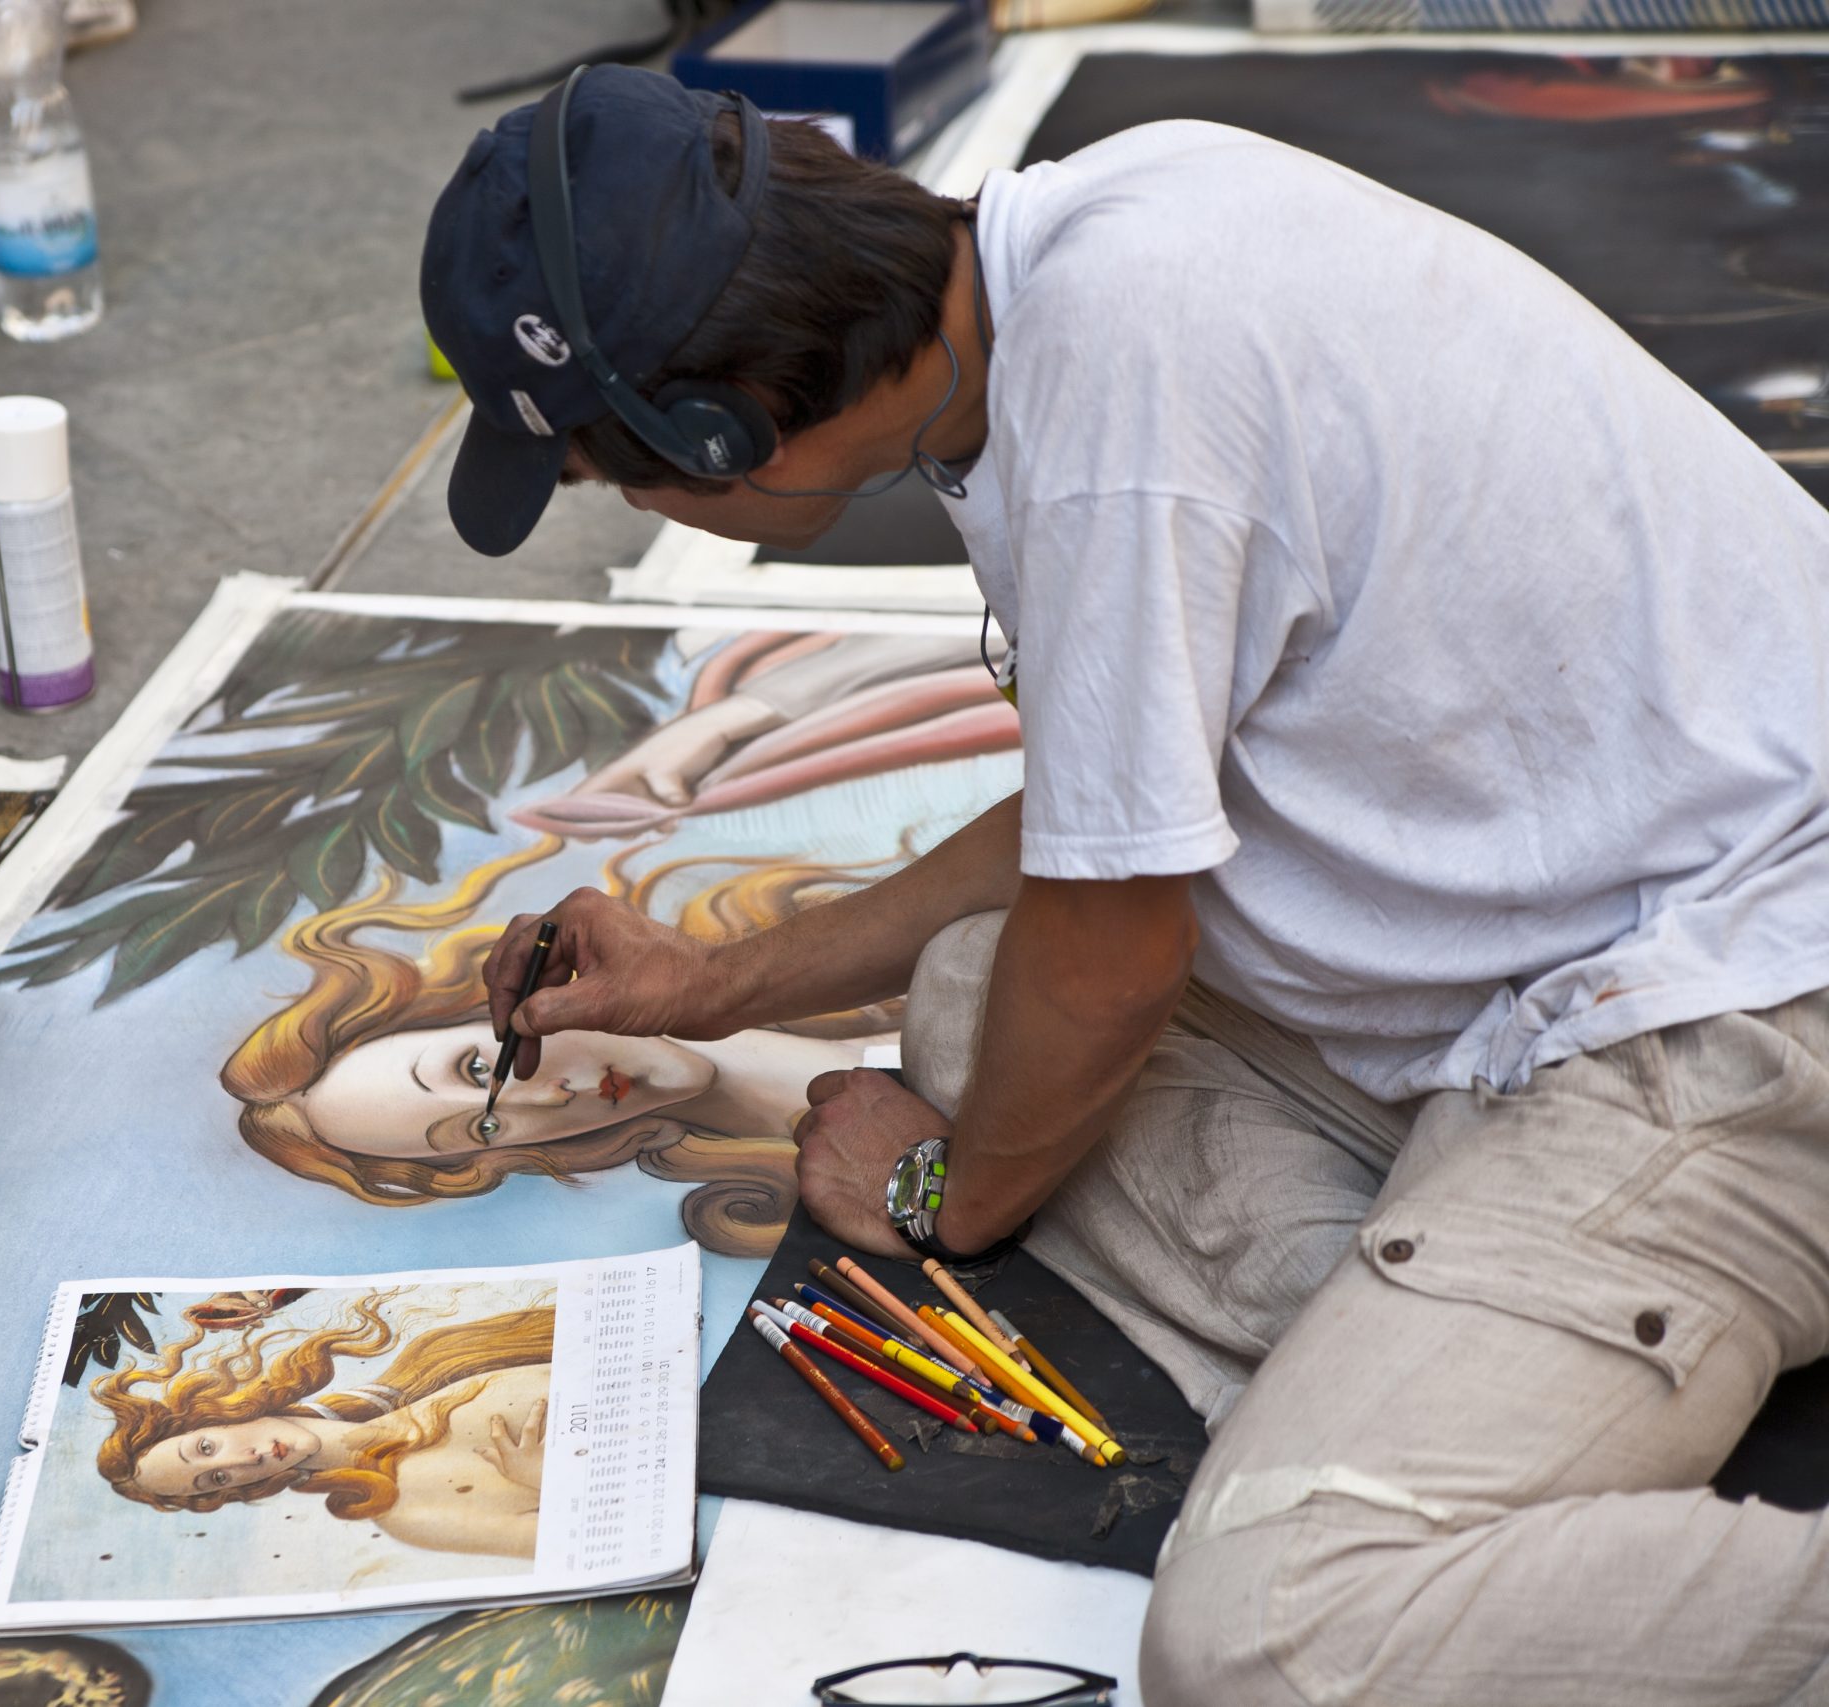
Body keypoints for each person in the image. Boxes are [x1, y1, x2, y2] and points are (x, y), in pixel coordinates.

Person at [422, 64, 1829, 1707]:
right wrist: (711, 982)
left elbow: (1107, 957)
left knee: (1269, 1637)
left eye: (615, 474)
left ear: (722, 428)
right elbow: (1100, 824)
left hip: (1740, 1008)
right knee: (977, 995)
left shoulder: (1118, 419)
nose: (639, 505)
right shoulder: (1103, 243)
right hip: (1587, 950)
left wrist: (945, 1200)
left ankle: (1507, 1424)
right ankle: (1512, 1366)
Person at [224, 842, 896, 1258]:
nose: (549, 1098)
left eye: (476, 1068)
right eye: (486, 1127)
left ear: (505, 1002)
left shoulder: (901, 967)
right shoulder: (814, 1202)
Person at [92, 1290, 554, 1559]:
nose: (241, 1462)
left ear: (215, 1416)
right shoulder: (406, 1514)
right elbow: (567, 1550)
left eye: (207, 1448)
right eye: (216, 1479)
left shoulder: (438, 1358)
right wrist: (544, 1476)